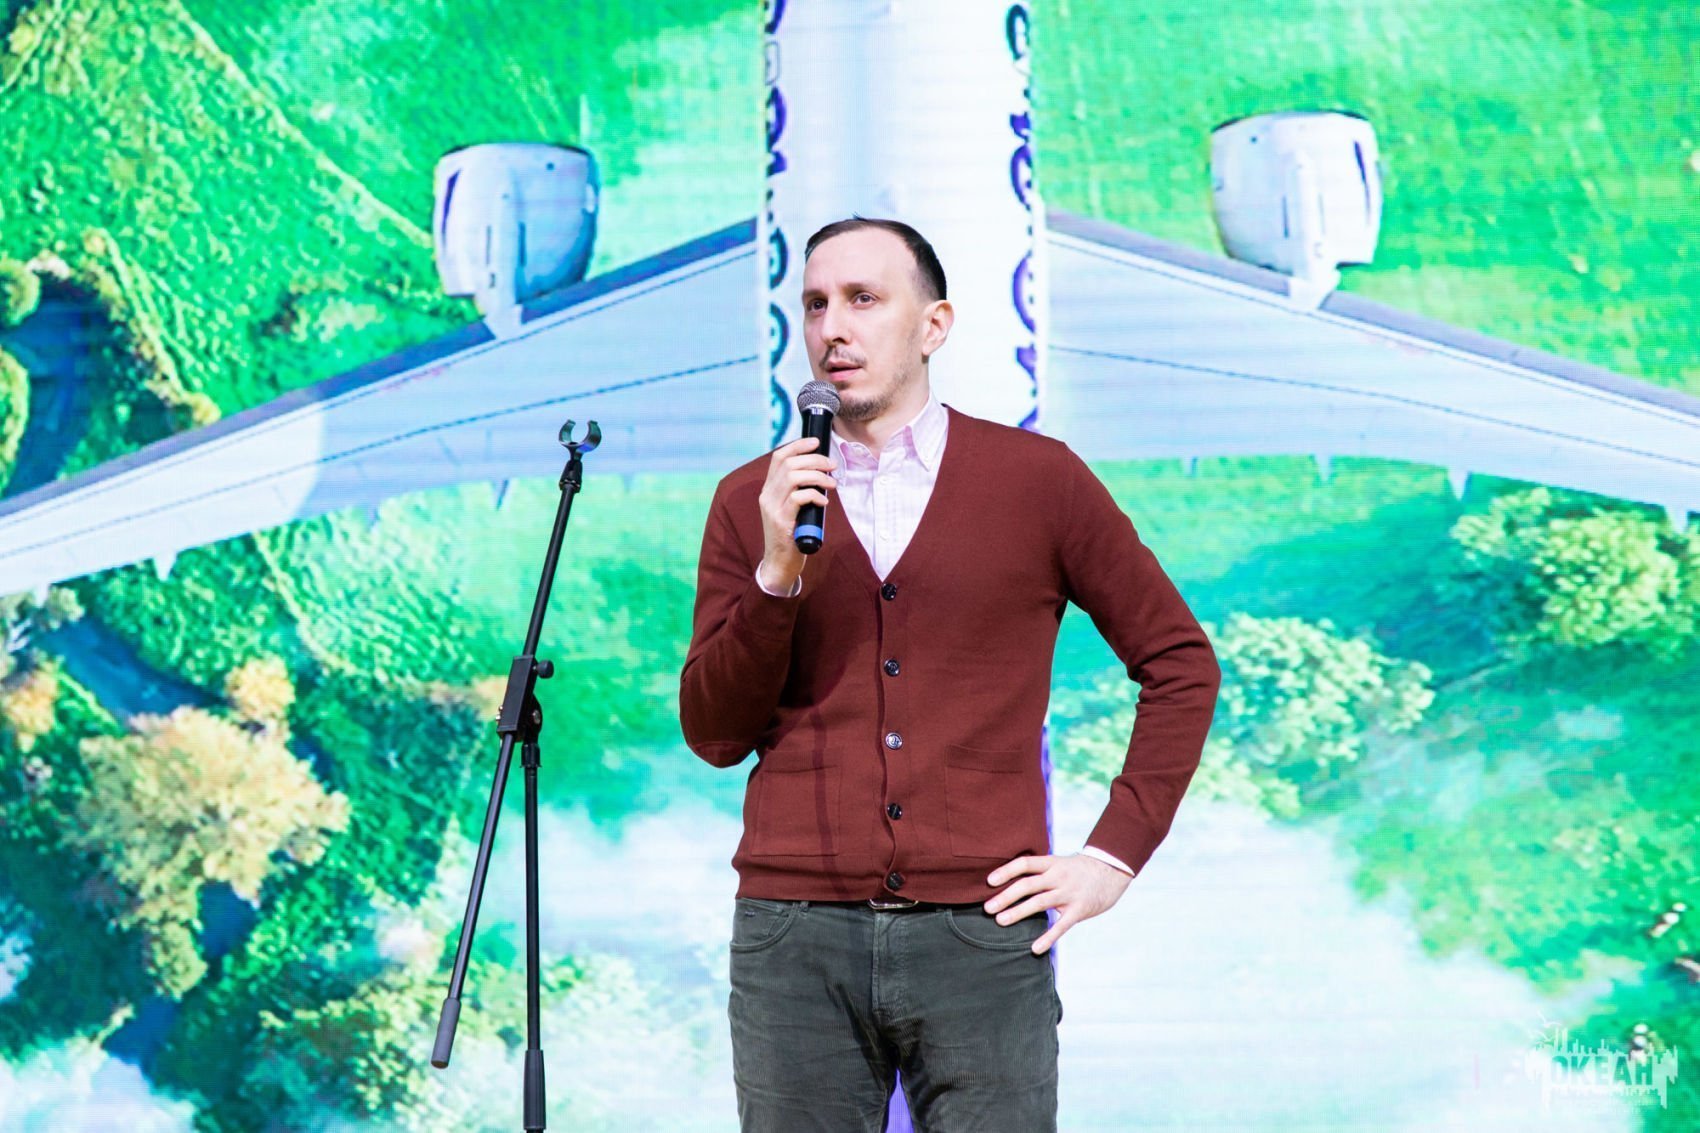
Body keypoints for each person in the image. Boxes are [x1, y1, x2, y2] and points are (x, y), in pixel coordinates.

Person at [679, 217, 1220, 1132]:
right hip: (794, 934)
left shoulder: (1037, 480)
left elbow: (1179, 662)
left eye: (863, 299)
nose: (832, 328)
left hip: (984, 930)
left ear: (934, 325)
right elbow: (715, 733)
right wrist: (776, 575)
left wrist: (1113, 854)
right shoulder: (752, 500)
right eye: (814, 304)